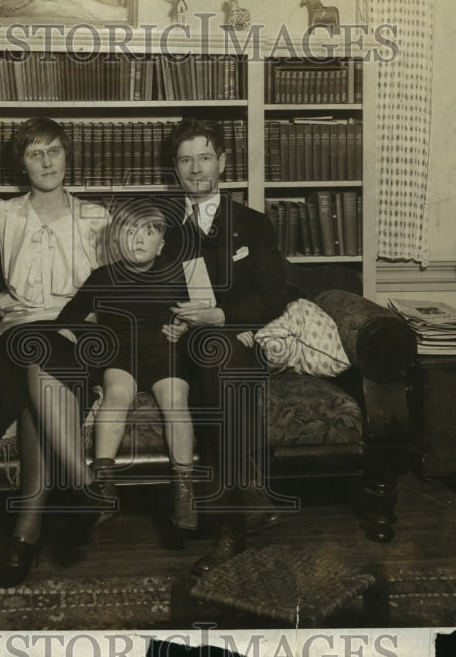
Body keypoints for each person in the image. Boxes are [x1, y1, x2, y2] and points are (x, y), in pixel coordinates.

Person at [0, 117, 111, 588]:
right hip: (21, 332)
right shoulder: (1, 214)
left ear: (68, 156)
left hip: (78, 335)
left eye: (54, 151)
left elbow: (126, 281)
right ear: (22, 163)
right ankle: (84, 485)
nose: (47, 162)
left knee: (37, 396)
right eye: (35, 153)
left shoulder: (96, 217)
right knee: (34, 349)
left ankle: (25, 535)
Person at [159, 117, 294, 575]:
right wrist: (170, 320)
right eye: (185, 160)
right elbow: (145, 291)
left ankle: (233, 523)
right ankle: (251, 495)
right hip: (177, 342)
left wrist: (221, 316)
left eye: (204, 158)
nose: (195, 170)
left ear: (222, 163)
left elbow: (276, 293)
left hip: (233, 337)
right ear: (174, 169)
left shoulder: (252, 225)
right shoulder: (161, 228)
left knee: (222, 357)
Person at [54, 200, 198, 531]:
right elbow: (68, 320)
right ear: (116, 239)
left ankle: (184, 488)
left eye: (149, 232)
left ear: (161, 243)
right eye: (130, 230)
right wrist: (75, 344)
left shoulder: (175, 272)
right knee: (116, 394)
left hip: (164, 352)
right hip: (120, 354)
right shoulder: (103, 276)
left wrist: (185, 326)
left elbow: (198, 312)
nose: (139, 238)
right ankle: (103, 483)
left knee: (175, 399)